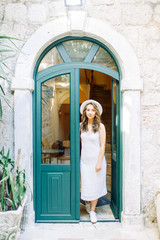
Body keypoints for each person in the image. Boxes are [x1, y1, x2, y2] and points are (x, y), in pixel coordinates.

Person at [80, 99, 107, 224]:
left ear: (96, 112)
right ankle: (88, 203)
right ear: (85, 112)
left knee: (95, 186)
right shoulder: (81, 126)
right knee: (86, 185)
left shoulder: (101, 127)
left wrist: (99, 163)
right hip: (84, 162)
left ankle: (92, 211)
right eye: (88, 110)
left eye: (92, 110)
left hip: (97, 161)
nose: (90, 112)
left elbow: (102, 146)